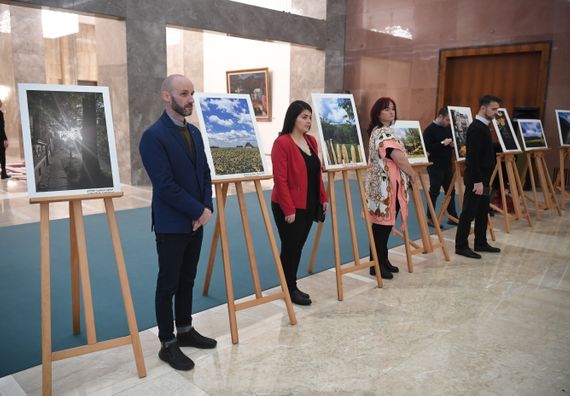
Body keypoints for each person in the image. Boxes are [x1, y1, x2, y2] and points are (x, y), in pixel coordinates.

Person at [139, 74, 217, 371]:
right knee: (168, 284)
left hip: (196, 221)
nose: (190, 99)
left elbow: (204, 174)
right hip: (172, 223)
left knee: (188, 279)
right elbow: (165, 185)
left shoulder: (194, 132)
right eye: (183, 94)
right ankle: (167, 343)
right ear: (166, 96)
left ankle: (185, 329)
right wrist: (198, 210)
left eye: (192, 93)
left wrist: (206, 208)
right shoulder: (153, 136)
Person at [271, 100, 328, 306]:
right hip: (288, 206)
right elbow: (280, 179)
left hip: (308, 203)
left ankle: (290, 285)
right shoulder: (282, 143)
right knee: (290, 247)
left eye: (310, 117)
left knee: (298, 247)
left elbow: (316, 173)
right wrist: (288, 208)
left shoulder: (311, 141)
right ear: (293, 118)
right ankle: (289, 288)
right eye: (304, 117)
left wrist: (323, 197)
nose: (308, 121)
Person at [365, 97, 418, 279]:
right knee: (381, 227)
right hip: (385, 187)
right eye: (387, 109)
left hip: (383, 186)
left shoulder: (379, 131)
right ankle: (376, 265)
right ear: (378, 112)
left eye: (393, 109)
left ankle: (382, 260)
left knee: (383, 227)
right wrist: (413, 173)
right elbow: (399, 158)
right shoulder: (383, 133)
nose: (391, 112)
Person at [455, 95, 502, 259]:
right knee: (469, 212)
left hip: (483, 177)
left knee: (482, 211)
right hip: (477, 178)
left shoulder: (484, 126)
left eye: (497, 109)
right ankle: (461, 246)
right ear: (483, 108)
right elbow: (472, 158)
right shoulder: (476, 128)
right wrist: (477, 181)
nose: (496, 112)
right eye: (494, 109)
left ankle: (480, 242)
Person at [423, 107, 458, 226]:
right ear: (440, 116)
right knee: (434, 191)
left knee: (451, 191)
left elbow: (450, 142)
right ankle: (430, 217)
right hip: (435, 165)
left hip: (447, 164)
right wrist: (442, 143)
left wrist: (452, 145)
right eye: (447, 120)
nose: (449, 123)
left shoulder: (447, 128)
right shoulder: (429, 130)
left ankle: (452, 216)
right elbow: (426, 148)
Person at [0, 100, 10, 179]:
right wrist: (5, 139)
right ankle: (3, 173)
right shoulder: (0, 114)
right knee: (2, 155)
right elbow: (1, 128)